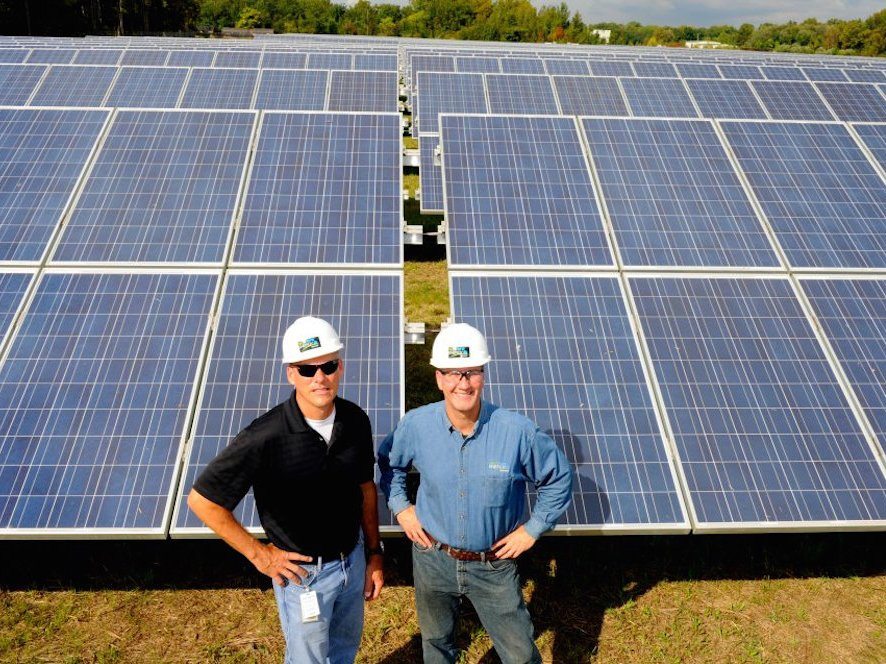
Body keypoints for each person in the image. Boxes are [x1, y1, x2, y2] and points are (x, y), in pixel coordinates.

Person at [188, 316, 384, 664]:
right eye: (307, 370)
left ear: (340, 367)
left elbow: (365, 488)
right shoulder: (265, 436)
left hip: (352, 562)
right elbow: (203, 501)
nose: (320, 378)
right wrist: (260, 555)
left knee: (344, 651)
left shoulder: (355, 420)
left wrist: (373, 553)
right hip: (304, 576)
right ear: (291, 374)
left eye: (328, 366)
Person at [379, 323, 573, 664]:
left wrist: (532, 529)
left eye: (472, 372)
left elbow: (557, 478)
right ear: (439, 378)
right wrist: (401, 507)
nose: (463, 383)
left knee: (519, 653)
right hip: (432, 558)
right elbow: (389, 464)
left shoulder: (518, 432)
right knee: (436, 643)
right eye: (453, 373)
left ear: (483, 375)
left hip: (493, 564)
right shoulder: (416, 426)